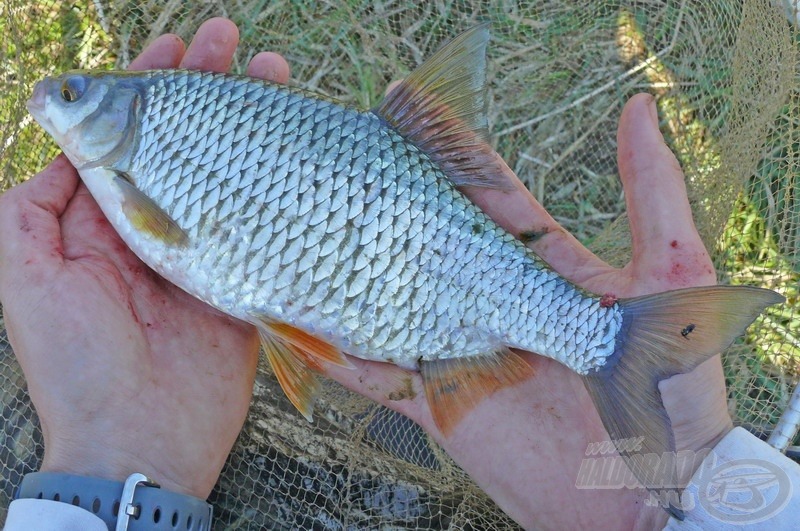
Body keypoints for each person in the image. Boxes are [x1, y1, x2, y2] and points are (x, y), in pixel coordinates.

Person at [0, 17, 797, 530]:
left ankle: (609, 348)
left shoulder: (139, 156)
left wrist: (692, 471)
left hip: (405, 279)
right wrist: (704, 478)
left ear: (120, 110)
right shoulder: (143, 149)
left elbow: (161, 233)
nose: (53, 99)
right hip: (376, 289)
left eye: (72, 95)